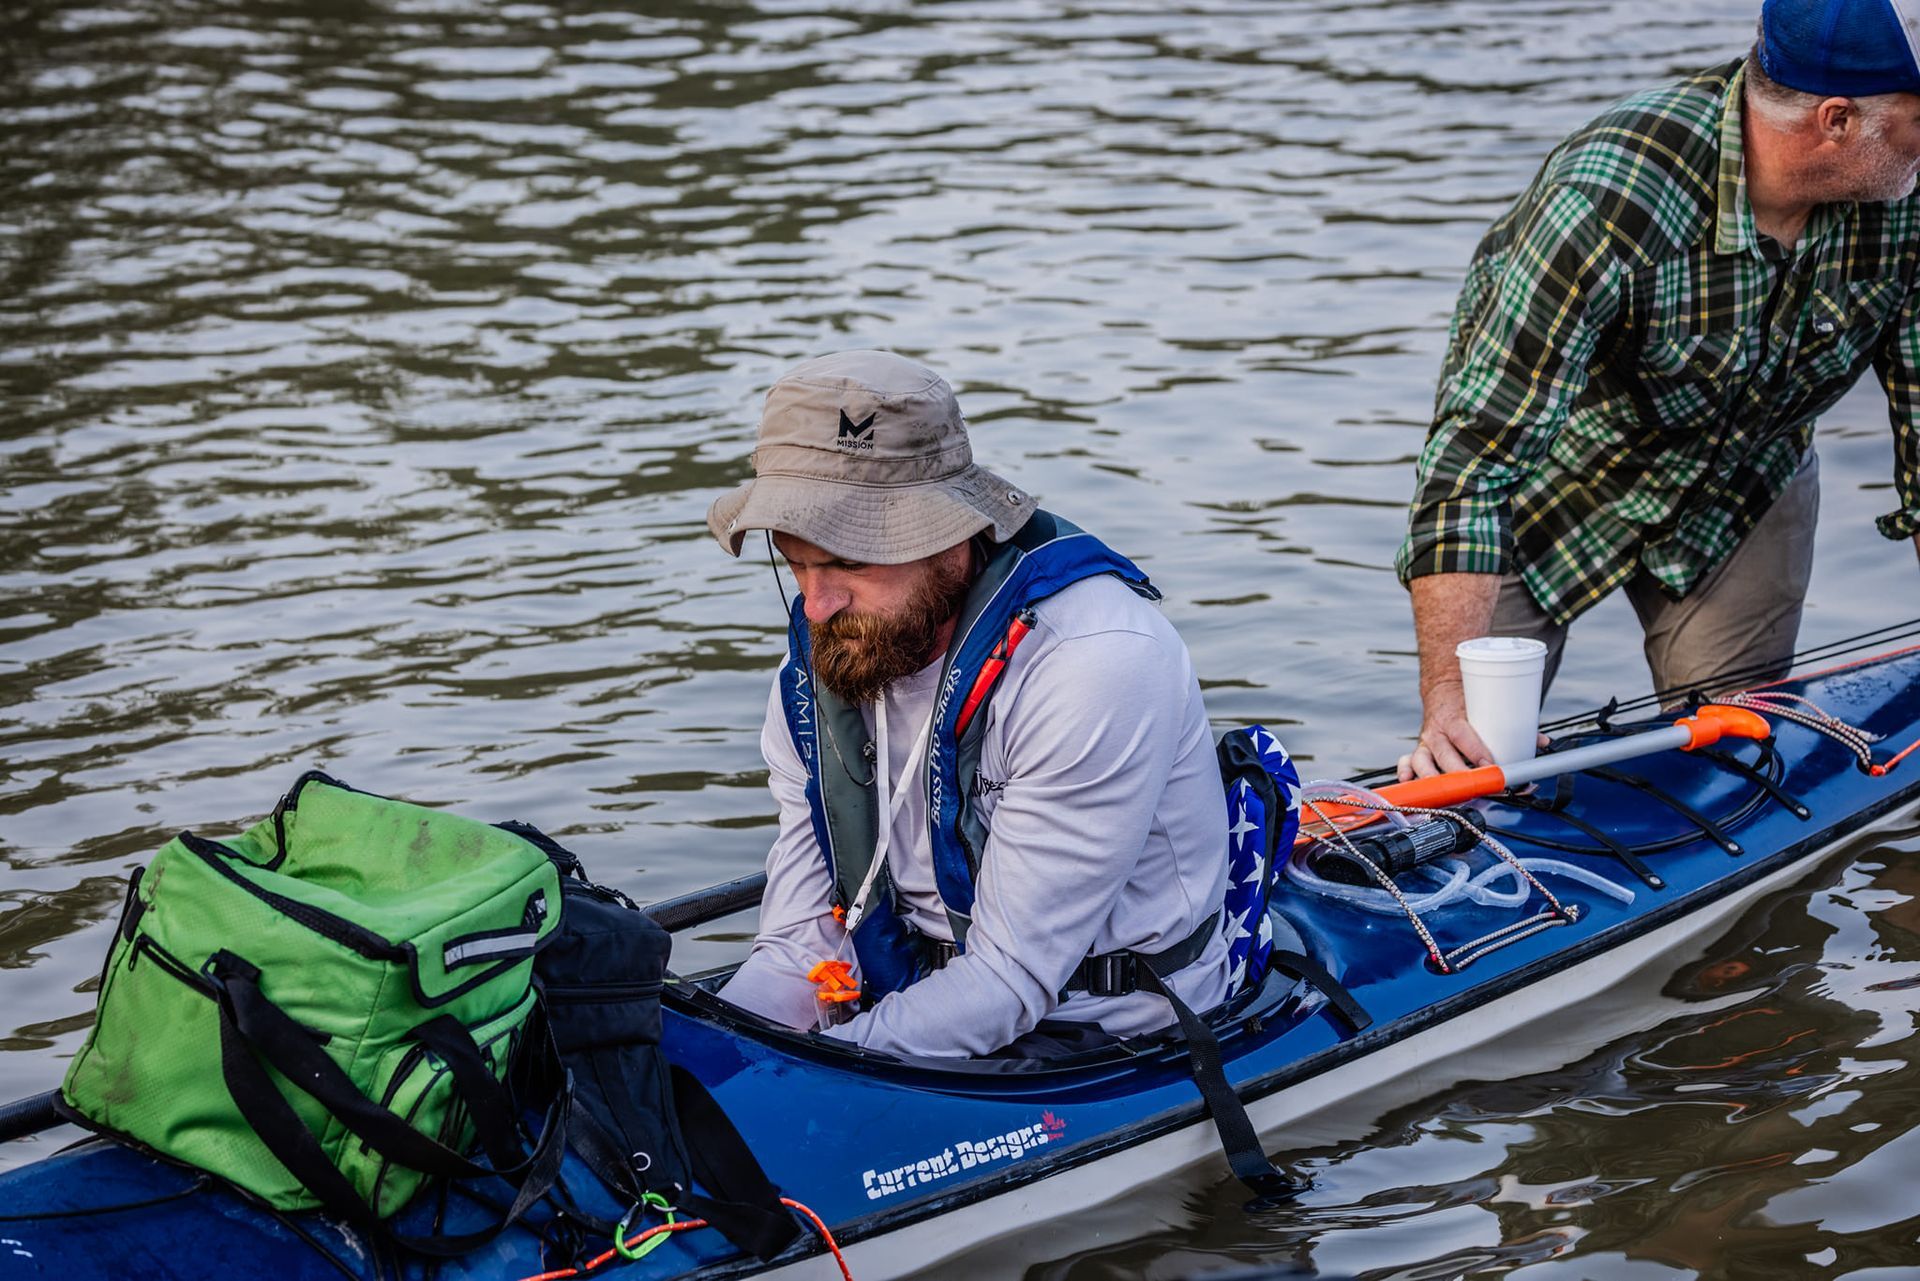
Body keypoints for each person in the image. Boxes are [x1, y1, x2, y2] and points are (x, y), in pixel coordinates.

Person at [1395, 0, 1920, 781]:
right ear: (1836, 120)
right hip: (1546, 488)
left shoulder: (1904, 209)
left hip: (1746, 490)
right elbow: (1473, 463)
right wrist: (1445, 699)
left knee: (1739, 766)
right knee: (1469, 752)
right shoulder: (1603, 200)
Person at [705, 350, 1230, 1059]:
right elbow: (801, 942)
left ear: (951, 534)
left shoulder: (1097, 662)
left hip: (1105, 1030)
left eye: (849, 560)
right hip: (916, 996)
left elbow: (1007, 980)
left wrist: (793, 1084)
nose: (818, 604)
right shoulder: (824, 661)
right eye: (796, 562)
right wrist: (711, 1065)